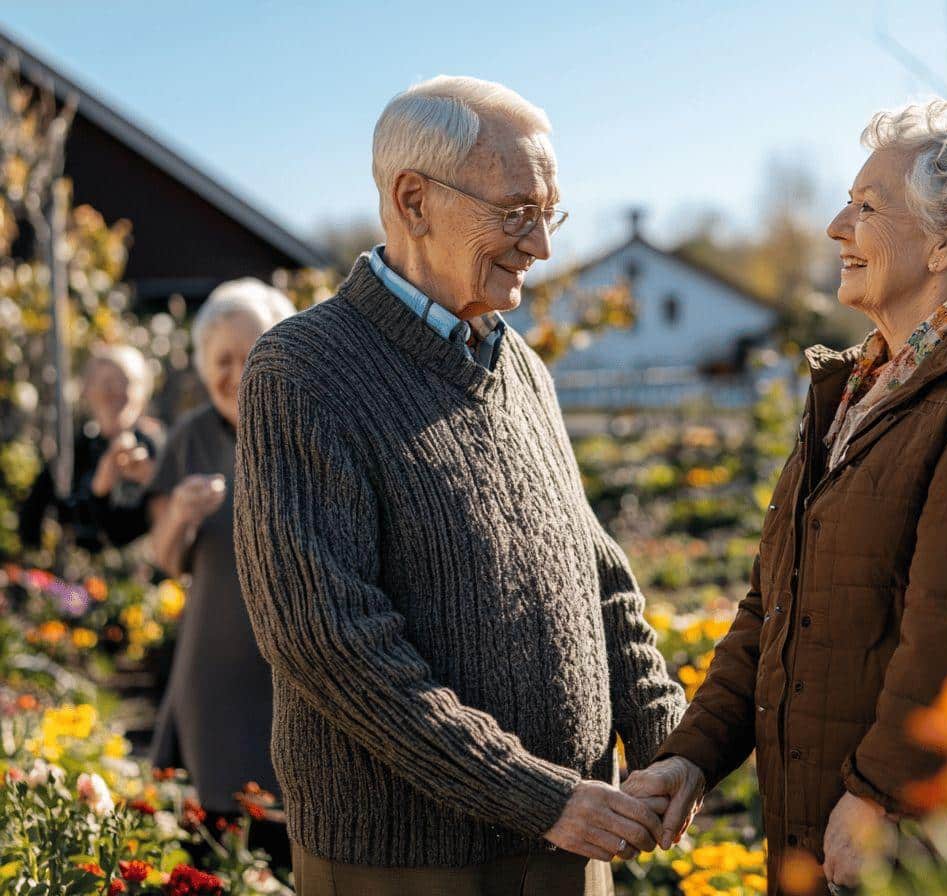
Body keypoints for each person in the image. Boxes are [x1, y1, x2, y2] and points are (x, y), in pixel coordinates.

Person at [624, 100, 947, 894]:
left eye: (866, 206)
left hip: (913, 847)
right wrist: (693, 755)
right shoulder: (865, 383)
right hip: (828, 833)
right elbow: (774, 602)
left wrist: (883, 796)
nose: (835, 226)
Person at [233, 76, 683, 896]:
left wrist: (667, 739)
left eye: (551, 213)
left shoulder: (523, 369)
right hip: (410, 862)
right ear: (413, 201)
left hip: (568, 837)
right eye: (517, 212)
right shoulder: (302, 370)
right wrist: (532, 793)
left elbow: (600, 579)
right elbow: (328, 641)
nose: (541, 245)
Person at [145, 278, 296, 867]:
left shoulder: (304, 424)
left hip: (296, 666)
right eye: (221, 360)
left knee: (294, 831)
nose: (236, 373)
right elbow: (164, 557)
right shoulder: (189, 438)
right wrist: (180, 514)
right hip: (214, 672)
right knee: (213, 841)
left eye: (250, 353)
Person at [18, 345, 159, 553]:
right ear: (88, 391)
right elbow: (33, 516)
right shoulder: (74, 449)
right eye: (106, 384)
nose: (115, 394)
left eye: (125, 383)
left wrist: (153, 479)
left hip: (144, 581)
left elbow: (125, 536)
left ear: (143, 391)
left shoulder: (157, 448)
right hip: (72, 582)